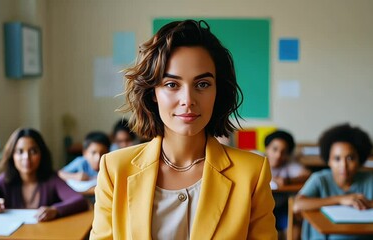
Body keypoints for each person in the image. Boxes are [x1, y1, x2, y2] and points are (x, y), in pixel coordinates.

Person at [90, 20, 277, 239]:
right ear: (153, 92)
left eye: (202, 84)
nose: (188, 100)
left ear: (218, 91)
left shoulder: (252, 172)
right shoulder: (115, 169)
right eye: (172, 84)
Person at [293, 123, 373, 240]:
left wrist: (367, 203)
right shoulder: (319, 179)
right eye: (337, 159)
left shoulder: (370, 179)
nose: (343, 165)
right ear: (328, 161)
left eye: (350, 158)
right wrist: (340, 200)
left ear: (360, 159)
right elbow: (298, 205)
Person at [0, 128, 88, 222]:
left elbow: (80, 201)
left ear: (42, 154)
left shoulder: (52, 179)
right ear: (12, 156)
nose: (26, 158)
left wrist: (55, 210)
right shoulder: (5, 180)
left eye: (33, 151)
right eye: (20, 152)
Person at [264, 130, 310, 237]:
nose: (278, 155)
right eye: (274, 149)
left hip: (281, 209)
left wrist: (288, 180)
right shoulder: (257, 160)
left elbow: (307, 175)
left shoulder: (289, 165)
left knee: (294, 228)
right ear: (267, 148)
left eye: (283, 152)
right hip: (260, 209)